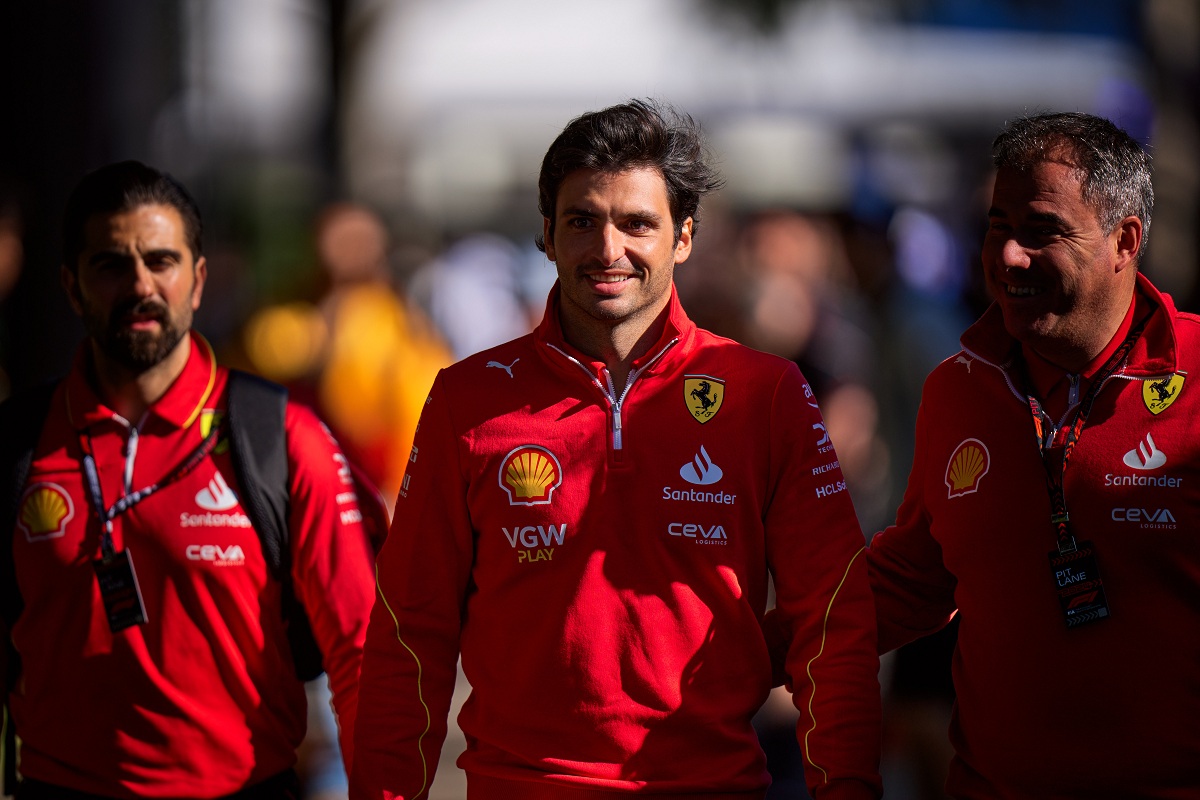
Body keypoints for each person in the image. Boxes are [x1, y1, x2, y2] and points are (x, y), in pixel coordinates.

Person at [351, 99, 882, 799]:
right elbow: (408, 634)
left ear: (683, 237)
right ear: (545, 234)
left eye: (637, 224)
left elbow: (834, 623)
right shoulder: (467, 400)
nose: (608, 250)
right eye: (582, 221)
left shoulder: (767, 394)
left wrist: (846, 785)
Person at [1, 161, 377, 798]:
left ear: (198, 280)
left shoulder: (281, 438)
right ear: (71, 286)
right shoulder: (16, 442)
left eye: (161, 261)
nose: (140, 285)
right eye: (111, 265)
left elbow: (365, 654)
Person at [867, 111, 1200, 796]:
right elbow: (918, 573)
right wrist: (751, 640)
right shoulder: (957, 387)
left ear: (1125, 240)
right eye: (997, 226)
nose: (1010, 255)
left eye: (1042, 231)